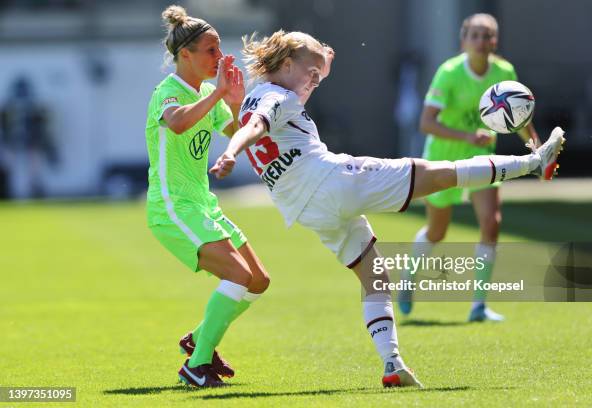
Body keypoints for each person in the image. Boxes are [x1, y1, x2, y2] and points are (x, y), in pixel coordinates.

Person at [209, 30, 564, 388]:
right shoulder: (278, 98)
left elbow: (255, 116)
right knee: (439, 174)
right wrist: (230, 153)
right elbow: (255, 128)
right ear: (286, 65)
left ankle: (393, 364)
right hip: (334, 181)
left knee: (375, 276)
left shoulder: (258, 95)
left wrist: (321, 61)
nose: (314, 82)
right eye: (311, 73)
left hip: (305, 208)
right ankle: (534, 162)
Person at [145, 5, 270, 388]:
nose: (219, 58)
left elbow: (238, 130)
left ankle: (198, 339)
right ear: (186, 55)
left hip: (202, 204)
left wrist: (233, 99)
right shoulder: (167, 92)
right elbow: (179, 123)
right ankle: (196, 365)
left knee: (258, 281)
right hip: (172, 207)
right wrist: (218, 92)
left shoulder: (204, 91)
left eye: (218, 50)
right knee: (238, 274)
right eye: (211, 51)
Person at [398, 14, 540, 322]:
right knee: (438, 231)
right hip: (443, 159)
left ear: (495, 42)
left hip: (482, 161)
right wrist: (466, 136)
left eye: (487, 35)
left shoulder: (505, 72)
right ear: (463, 41)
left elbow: (520, 119)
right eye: (474, 35)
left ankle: (478, 305)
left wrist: (537, 152)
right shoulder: (448, 73)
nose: (481, 40)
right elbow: (426, 123)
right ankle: (408, 278)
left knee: (491, 223)